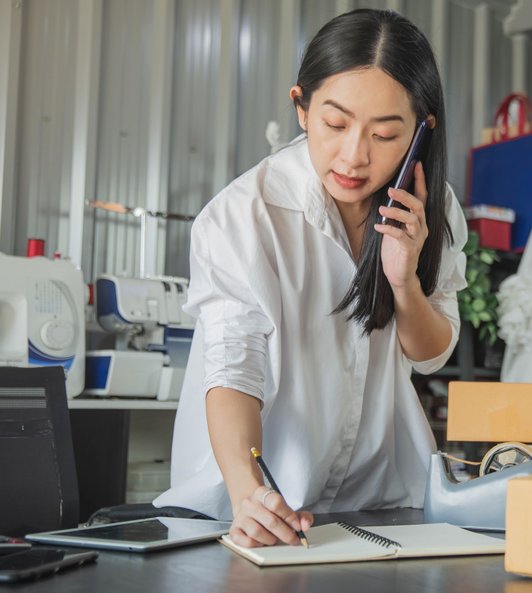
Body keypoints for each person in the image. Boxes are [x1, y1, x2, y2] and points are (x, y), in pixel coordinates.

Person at [153, 9, 467, 548]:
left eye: (386, 134)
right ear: (301, 107)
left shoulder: (430, 210)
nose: (354, 155)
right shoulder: (242, 216)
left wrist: (404, 282)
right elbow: (233, 370)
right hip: (255, 510)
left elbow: (431, 353)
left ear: (420, 131)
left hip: (378, 506)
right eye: (336, 124)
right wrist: (246, 492)